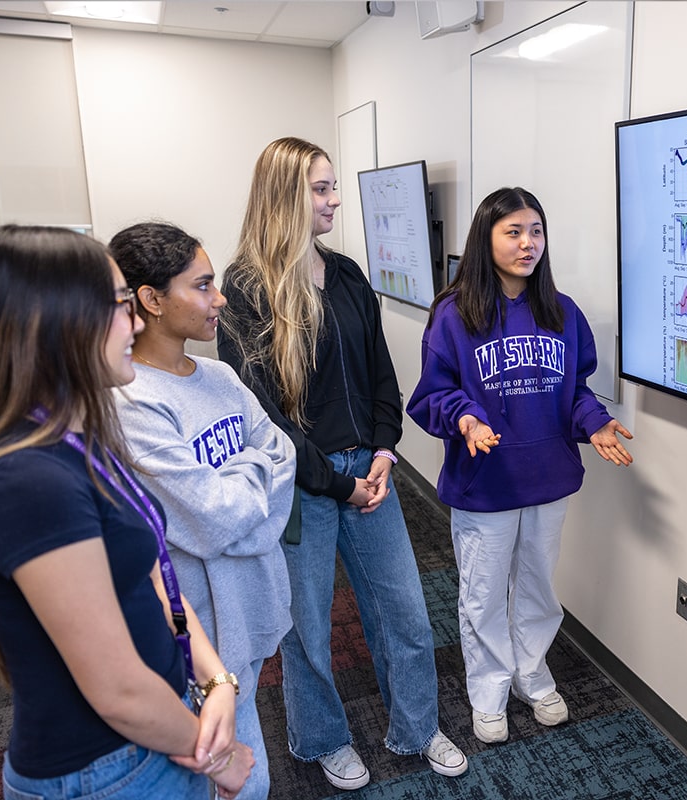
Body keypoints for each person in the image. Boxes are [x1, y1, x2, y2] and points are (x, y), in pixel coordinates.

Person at [0, 225, 254, 800]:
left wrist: (216, 678)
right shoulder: (25, 482)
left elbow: (153, 577)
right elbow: (117, 690)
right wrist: (217, 756)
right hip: (104, 770)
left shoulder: (76, 437)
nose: (136, 323)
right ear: (55, 324)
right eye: (119, 306)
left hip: (148, 742)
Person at [217, 136, 468, 791]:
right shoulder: (244, 290)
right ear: (284, 197)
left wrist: (385, 451)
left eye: (332, 188)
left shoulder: (349, 275)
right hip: (303, 484)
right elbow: (264, 416)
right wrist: (338, 484)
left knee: (407, 615)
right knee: (308, 630)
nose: (333, 201)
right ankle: (321, 738)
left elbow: (382, 373)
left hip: (370, 472)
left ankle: (418, 729)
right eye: (321, 189)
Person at [407, 187, 634, 745]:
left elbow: (573, 390)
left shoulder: (561, 310)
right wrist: (464, 419)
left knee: (536, 586)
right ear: (486, 239)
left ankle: (531, 675)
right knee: (482, 594)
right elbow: (432, 394)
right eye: (513, 231)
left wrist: (595, 421)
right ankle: (488, 690)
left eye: (536, 231)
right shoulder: (454, 314)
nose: (527, 243)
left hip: (547, 479)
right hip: (486, 483)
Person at [109, 221, 295, 800]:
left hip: (253, 597)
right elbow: (210, 520)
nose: (219, 300)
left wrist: (238, 490)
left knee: (243, 741)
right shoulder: (131, 401)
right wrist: (250, 477)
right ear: (152, 300)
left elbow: (283, 459)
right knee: (219, 765)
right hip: (198, 628)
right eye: (203, 286)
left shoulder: (221, 376)